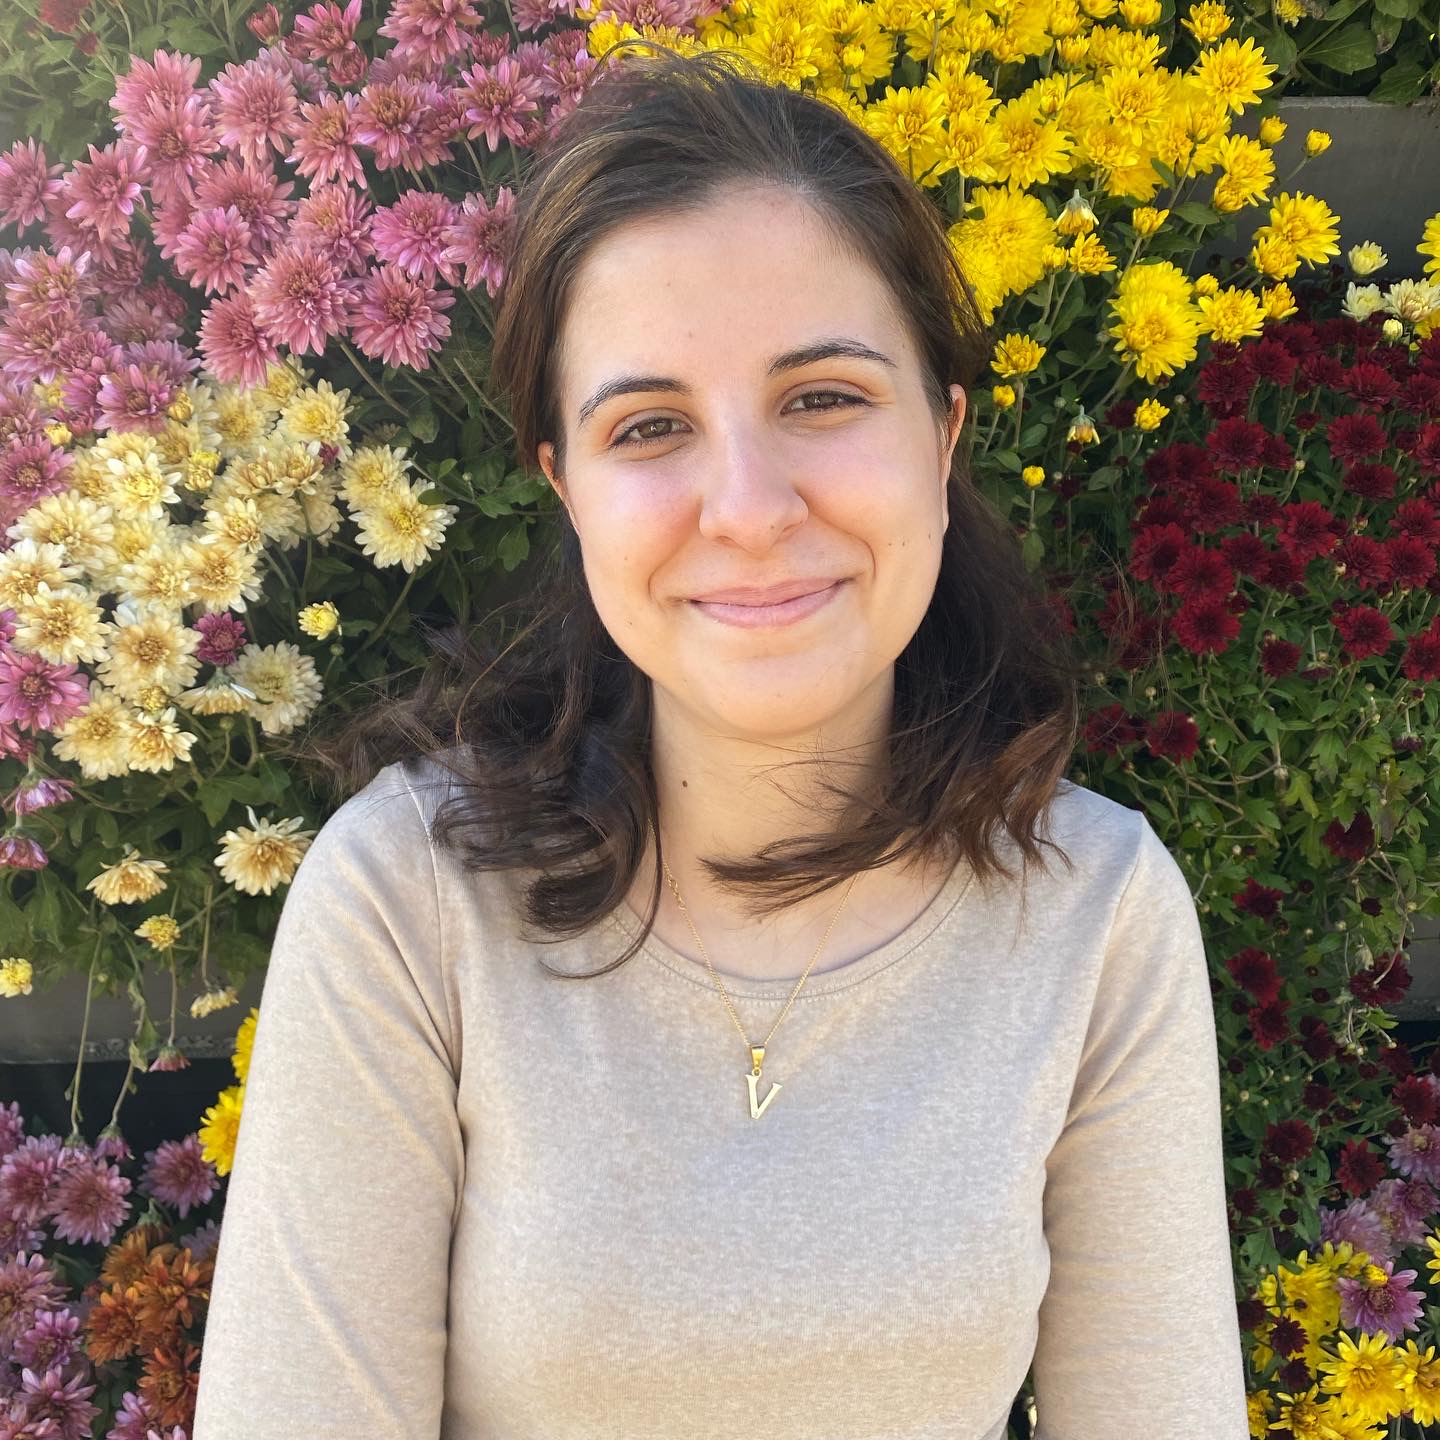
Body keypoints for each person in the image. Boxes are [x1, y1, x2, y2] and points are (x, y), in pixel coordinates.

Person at [191, 43, 1250, 1440]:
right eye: (651, 426)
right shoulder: (408, 905)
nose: (747, 506)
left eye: (822, 398)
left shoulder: (1097, 912)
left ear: (943, 433)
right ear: (567, 489)